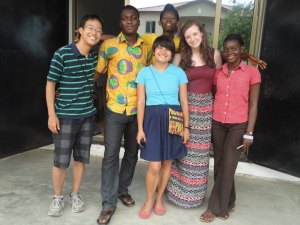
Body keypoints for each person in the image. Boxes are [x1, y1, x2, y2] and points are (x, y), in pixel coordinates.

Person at [94, 5, 151, 225]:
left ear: (138, 21)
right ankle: (108, 203)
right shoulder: (108, 46)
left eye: (133, 18)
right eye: (125, 19)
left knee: (131, 152)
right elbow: (98, 72)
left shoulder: (146, 48)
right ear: (120, 23)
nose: (129, 22)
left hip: (137, 111)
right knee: (110, 156)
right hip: (115, 110)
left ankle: (122, 190)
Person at [200, 33, 261, 222]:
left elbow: (253, 105)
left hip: (238, 125)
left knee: (228, 165)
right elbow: (214, 94)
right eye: (226, 49)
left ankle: (215, 207)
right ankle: (229, 201)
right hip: (217, 123)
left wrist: (249, 133)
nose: (229, 53)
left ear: (241, 49)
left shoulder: (252, 72)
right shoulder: (219, 72)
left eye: (234, 49)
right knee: (219, 164)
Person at [46, 14, 103, 217]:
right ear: (78, 30)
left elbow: (110, 39)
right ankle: (57, 198)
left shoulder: (93, 57)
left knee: (81, 160)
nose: (94, 33)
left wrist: (101, 36)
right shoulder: (62, 54)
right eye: (90, 28)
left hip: (87, 116)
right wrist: (52, 115)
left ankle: (75, 194)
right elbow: (50, 84)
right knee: (60, 161)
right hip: (65, 116)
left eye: (98, 30)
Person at [166, 19, 222, 208]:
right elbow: (172, 87)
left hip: (206, 110)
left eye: (195, 34)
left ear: (202, 34)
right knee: (182, 151)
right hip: (185, 107)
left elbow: (217, 86)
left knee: (200, 155)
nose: (192, 38)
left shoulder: (214, 55)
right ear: (184, 39)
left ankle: (195, 196)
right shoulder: (179, 56)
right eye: (188, 36)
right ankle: (176, 194)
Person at [136, 35, 189, 219]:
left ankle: (159, 199)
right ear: (153, 50)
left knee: (167, 162)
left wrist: (186, 127)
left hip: (174, 118)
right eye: (159, 47)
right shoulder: (144, 73)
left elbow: (183, 100)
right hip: (152, 119)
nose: (163, 51)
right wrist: (140, 128)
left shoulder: (179, 72)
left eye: (167, 49)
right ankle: (149, 199)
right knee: (155, 165)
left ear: (171, 53)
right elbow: (141, 101)